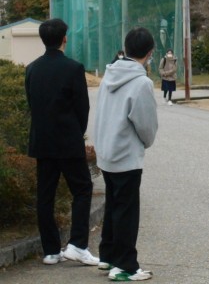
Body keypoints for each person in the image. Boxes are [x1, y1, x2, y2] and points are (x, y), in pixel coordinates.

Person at [24, 18, 99, 266]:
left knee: (45, 196)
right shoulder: (74, 68)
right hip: (68, 140)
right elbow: (82, 107)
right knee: (82, 189)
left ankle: (51, 251)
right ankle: (77, 244)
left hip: (42, 141)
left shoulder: (32, 69)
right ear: (64, 38)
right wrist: (77, 132)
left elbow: (31, 103)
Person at [94, 27, 158, 281]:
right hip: (126, 155)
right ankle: (125, 266)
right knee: (126, 212)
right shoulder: (142, 82)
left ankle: (108, 256)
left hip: (106, 152)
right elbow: (146, 125)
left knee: (113, 206)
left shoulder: (109, 75)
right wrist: (147, 142)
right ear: (150, 52)